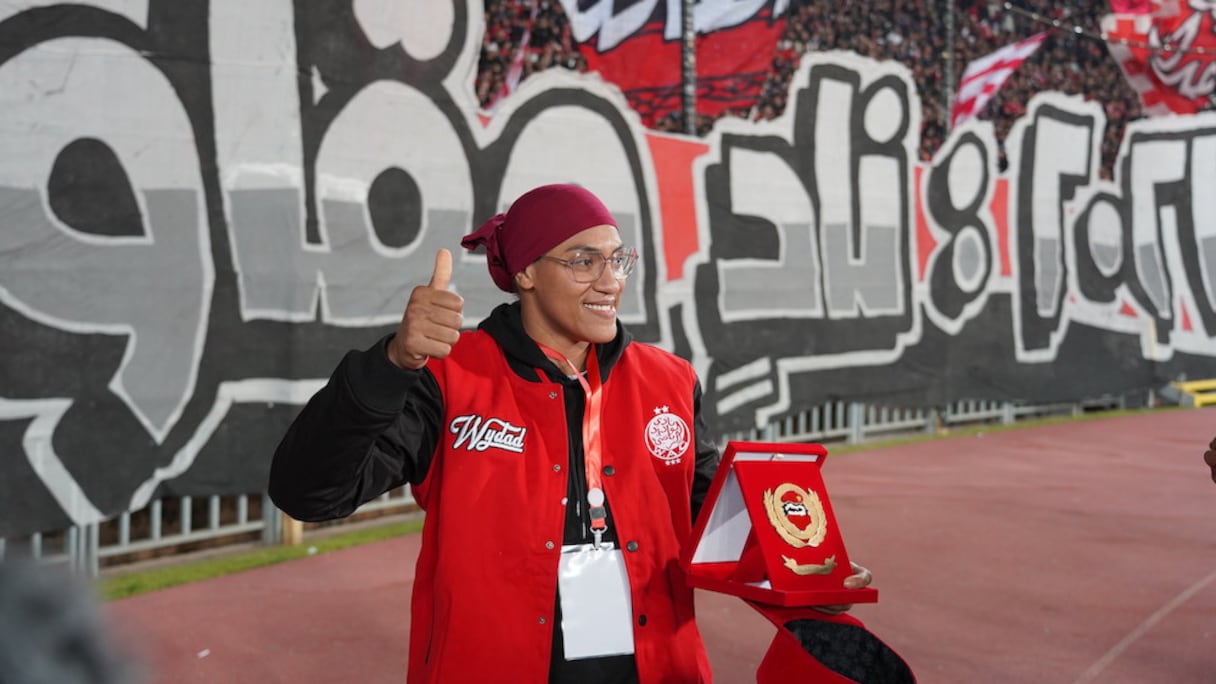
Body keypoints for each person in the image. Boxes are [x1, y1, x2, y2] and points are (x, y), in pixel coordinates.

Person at [269, 183, 872, 683]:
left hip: (651, 666)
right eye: (584, 261)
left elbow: (711, 515)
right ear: (527, 273)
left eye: (617, 258)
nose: (610, 279)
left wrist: (804, 575)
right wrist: (390, 365)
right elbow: (308, 493)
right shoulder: (450, 377)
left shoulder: (670, 379)